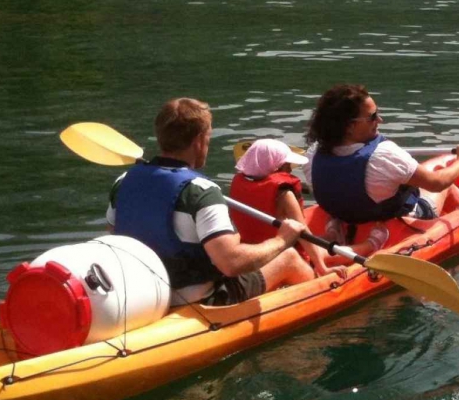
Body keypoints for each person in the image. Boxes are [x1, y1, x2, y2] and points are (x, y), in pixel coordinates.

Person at [108, 98, 314, 306]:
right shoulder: (201, 191)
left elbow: (116, 236)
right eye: (208, 137)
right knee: (290, 258)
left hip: (145, 294)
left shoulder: (122, 182)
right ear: (199, 140)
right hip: (203, 298)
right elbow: (231, 264)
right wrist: (282, 239)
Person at [304, 84, 459, 242]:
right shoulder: (384, 155)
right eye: (372, 117)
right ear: (349, 126)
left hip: (344, 215)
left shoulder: (313, 153)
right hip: (395, 221)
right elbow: (438, 183)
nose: (380, 120)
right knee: (448, 185)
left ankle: (336, 227)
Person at [228, 138, 342, 275]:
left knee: (326, 239)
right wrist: (322, 267)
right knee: (330, 250)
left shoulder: (239, 184)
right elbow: (302, 232)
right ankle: (370, 245)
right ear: (276, 167)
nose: (290, 169)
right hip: (286, 259)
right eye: (287, 165)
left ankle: (333, 234)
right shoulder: (284, 194)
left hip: (253, 255)